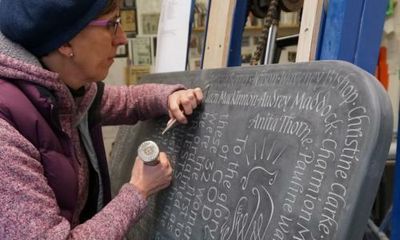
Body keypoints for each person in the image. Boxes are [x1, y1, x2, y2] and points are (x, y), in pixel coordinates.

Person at [0, 0, 203, 239]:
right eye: (112, 24)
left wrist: (169, 96)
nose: (122, 39)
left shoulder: (63, 92)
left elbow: (129, 101)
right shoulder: (6, 135)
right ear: (66, 42)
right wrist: (138, 191)